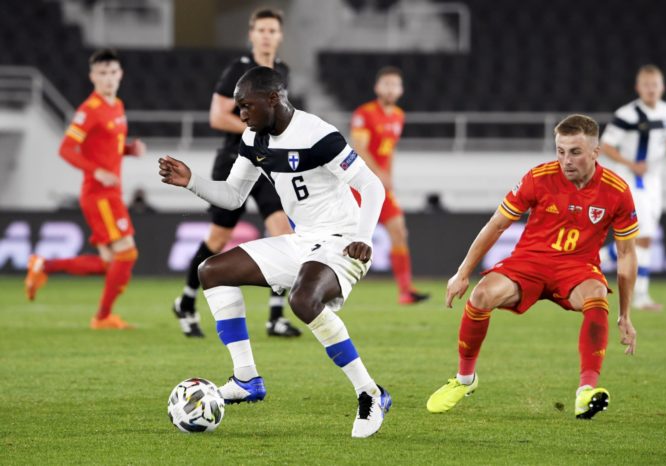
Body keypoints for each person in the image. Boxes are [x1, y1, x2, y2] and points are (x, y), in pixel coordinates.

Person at [158, 66, 391, 438]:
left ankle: (370, 392)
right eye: (238, 107)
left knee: (302, 300)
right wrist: (192, 182)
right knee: (211, 270)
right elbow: (234, 195)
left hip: (343, 242)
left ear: (273, 99)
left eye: (246, 105)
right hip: (303, 242)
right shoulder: (254, 140)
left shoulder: (319, 136)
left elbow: (372, 186)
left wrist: (363, 236)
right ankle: (247, 378)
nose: (241, 115)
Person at [426, 114, 638, 419]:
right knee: (481, 295)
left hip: (577, 268)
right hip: (530, 262)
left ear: (595, 152)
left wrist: (626, 315)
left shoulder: (616, 191)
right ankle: (464, 380)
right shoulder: (539, 177)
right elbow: (497, 225)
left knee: (596, 294)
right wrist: (462, 273)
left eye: (575, 152)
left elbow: (627, 255)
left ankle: (586, 391)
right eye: (560, 150)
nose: (566, 160)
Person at [172, 7, 301, 338]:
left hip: (267, 163)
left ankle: (275, 317)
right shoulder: (239, 70)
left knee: (283, 234)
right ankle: (186, 302)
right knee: (217, 239)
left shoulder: (282, 70)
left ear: (280, 36)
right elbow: (217, 116)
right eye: (261, 30)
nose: (267, 36)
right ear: (252, 34)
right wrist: (259, 132)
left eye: (272, 31)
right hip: (235, 160)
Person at [24, 49, 144, 330]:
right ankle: (102, 317)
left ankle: (43, 266)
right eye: (102, 73)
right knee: (127, 253)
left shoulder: (117, 105)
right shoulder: (88, 110)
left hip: (109, 192)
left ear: (120, 74)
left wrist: (127, 150)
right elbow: (66, 149)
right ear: (92, 77)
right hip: (99, 194)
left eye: (112, 72)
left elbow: (105, 147)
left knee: (107, 263)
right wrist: (97, 171)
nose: (108, 78)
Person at [598, 64, 666, 311]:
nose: (651, 89)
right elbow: (606, 145)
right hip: (632, 179)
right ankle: (640, 295)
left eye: (655, 85)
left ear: (662, 87)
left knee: (645, 239)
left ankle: (597, 261)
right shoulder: (628, 114)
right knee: (641, 236)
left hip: (654, 181)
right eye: (646, 85)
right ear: (638, 88)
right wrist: (631, 164)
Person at [350, 66, 429, 304]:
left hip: (383, 186)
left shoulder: (398, 115)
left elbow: (390, 151)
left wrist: (389, 178)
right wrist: (380, 172)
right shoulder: (364, 113)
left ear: (401, 89)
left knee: (399, 231)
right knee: (344, 237)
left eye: (395, 84)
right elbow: (359, 148)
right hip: (360, 184)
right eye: (386, 84)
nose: (391, 88)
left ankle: (405, 291)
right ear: (377, 87)